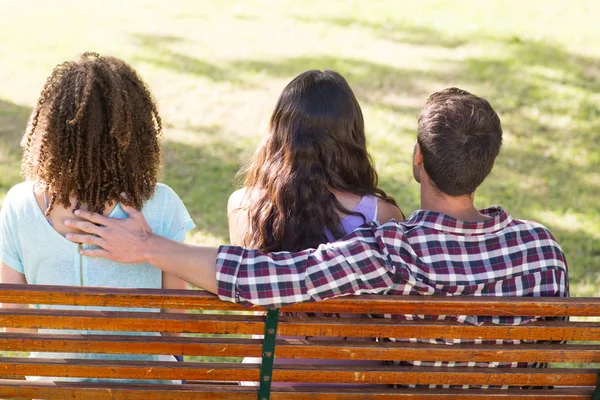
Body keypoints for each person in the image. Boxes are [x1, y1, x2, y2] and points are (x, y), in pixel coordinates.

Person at [66, 87, 569, 375]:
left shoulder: (395, 251)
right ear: (488, 162)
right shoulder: (545, 250)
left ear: (419, 159)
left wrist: (147, 245)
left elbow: (269, 279)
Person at [0, 53, 194, 383]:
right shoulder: (161, 205)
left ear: (51, 131)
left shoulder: (19, 204)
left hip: (52, 387)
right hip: (145, 385)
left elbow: (17, 322)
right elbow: (172, 320)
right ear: (137, 134)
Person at [228, 69, 403, 385]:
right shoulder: (383, 214)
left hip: (270, 380)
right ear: (350, 137)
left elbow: (252, 304)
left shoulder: (244, 206)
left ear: (280, 133)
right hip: (355, 382)